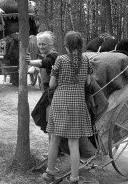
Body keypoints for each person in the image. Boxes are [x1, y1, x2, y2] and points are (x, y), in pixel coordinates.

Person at [43, 31, 93, 183]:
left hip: (60, 103)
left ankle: (50, 173)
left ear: (66, 46)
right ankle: (74, 178)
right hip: (78, 103)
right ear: (80, 46)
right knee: (74, 143)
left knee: (54, 139)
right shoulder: (86, 60)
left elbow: (51, 84)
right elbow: (89, 82)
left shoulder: (60, 60)